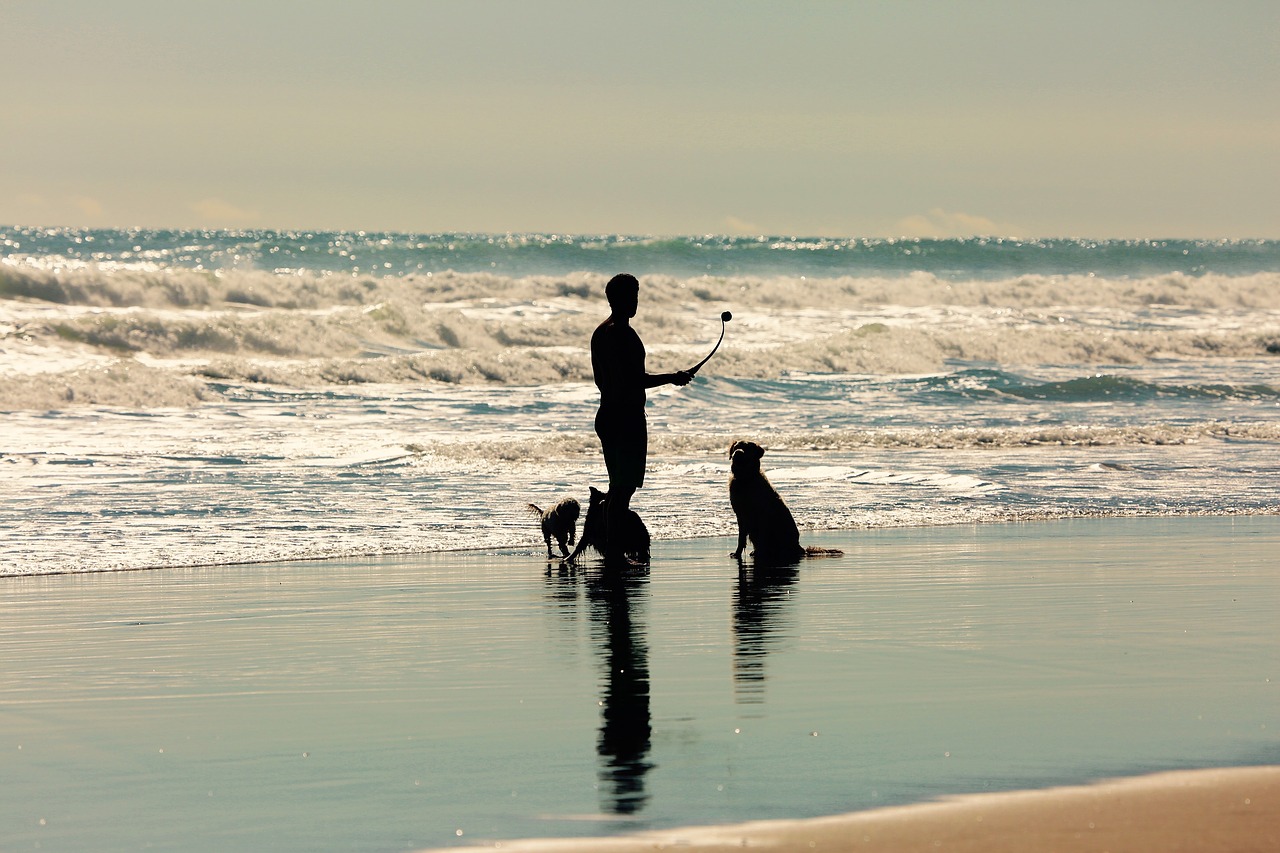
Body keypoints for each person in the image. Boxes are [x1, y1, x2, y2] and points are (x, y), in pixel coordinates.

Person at [591, 273, 691, 564]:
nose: (635, 302)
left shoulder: (601, 331)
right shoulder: (619, 332)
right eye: (631, 296)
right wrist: (672, 377)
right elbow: (633, 380)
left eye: (636, 296)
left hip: (610, 413)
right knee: (622, 489)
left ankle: (612, 549)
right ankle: (613, 552)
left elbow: (610, 380)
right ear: (617, 299)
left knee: (619, 487)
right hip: (624, 417)